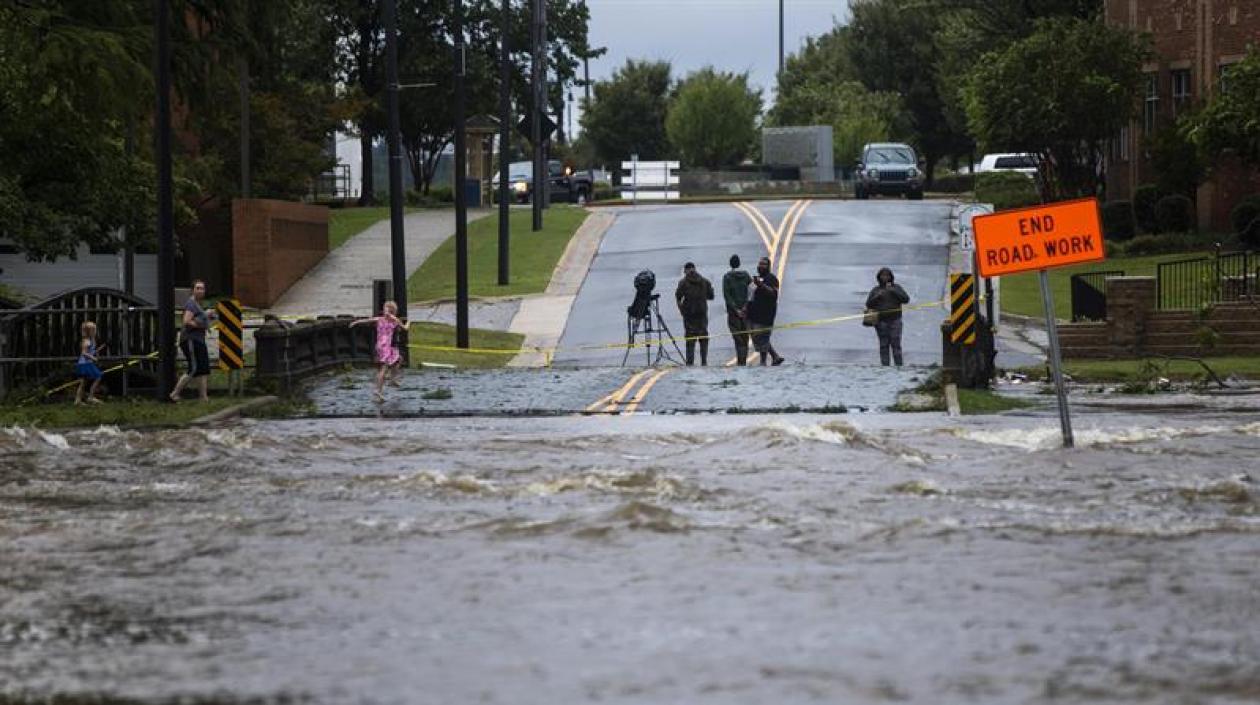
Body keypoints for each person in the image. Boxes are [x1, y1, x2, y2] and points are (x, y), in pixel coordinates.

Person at [351, 300, 409, 402]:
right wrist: (409, 322)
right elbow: (405, 328)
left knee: (399, 358)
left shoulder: (380, 319)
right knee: (384, 369)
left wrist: (356, 322)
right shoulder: (393, 320)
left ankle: (392, 379)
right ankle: (378, 390)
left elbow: (368, 320)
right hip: (386, 346)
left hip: (380, 345)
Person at [170, 280, 215, 402]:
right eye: (198, 288)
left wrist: (207, 317)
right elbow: (186, 321)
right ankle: (175, 393)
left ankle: (203, 396)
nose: (200, 290)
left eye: (202, 288)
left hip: (199, 340)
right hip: (191, 339)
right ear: (193, 290)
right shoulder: (191, 304)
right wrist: (201, 323)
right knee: (194, 368)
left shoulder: (198, 305)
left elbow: (201, 319)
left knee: (204, 368)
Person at [865, 267, 911, 366]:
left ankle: (899, 365)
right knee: (884, 344)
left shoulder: (897, 287)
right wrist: (877, 296)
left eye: (887, 275)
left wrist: (893, 291)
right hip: (881, 321)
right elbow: (868, 304)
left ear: (891, 277)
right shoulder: (876, 290)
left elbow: (906, 299)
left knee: (896, 342)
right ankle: (885, 366)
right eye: (883, 275)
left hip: (895, 319)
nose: (885, 277)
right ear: (879, 277)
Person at [674, 262, 715, 366]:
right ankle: (704, 361)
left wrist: (682, 310)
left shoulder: (683, 282)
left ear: (687, 270)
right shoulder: (705, 281)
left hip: (689, 315)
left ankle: (690, 363)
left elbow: (678, 297)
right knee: (703, 338)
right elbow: (711, 296)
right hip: (702, 314)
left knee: (690, 340)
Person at [747, 256, 785, 366]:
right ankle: (775, 357)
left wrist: (761, 285)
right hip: (754, 314)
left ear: (768, 266)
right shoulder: (756, 279)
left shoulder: (771, 279)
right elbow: (751, 295)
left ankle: (764, 361)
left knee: (762, 336)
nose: (761, 266)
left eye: (763, 264)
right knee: (758, 338)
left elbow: (774, 294)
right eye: (760, 264)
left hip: (766, 315)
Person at [722, 254, 753, 365]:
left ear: (730, 264)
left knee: (737, 337)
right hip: (746, 312)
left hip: (733, 313)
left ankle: (740, 361)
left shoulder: (727, 277)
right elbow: (751, 291)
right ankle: (743, 360)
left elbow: (727, 295)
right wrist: (745, 306)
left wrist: (736, 309)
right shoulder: (746, 275)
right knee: (745, 336)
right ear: (739, 263)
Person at [74, 321, 105, 405]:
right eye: (94, 330)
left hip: (85, 363)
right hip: (85, 364)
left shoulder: (91, 341)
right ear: (90, 331)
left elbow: (90, 351)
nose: (95, 331)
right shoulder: (87, 341)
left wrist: (95, 351)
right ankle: (91, 397)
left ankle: (78, 400)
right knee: (98, 376)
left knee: (83, 382)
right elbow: (84, 353)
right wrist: (93, 358)